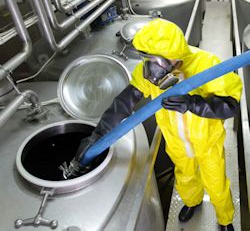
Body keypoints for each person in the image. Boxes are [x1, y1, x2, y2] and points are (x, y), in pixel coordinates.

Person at [74, 19, 242, 231]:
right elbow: (123, 103)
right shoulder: (149, 73)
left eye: (157, 59)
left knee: (216, 182)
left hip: (207, 142)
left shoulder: (208, 65)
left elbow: (230, 106)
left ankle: (225, 219)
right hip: (176, 142)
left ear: (174, 53)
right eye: (147, 58)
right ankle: (192, 202)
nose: (152, 66)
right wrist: (97, 136)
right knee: (185, 176)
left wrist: (193, 103)